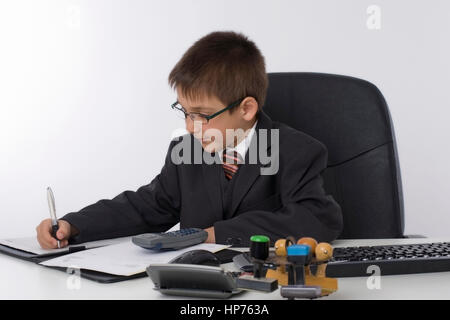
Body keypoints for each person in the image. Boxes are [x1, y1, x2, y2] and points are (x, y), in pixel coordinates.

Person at [36, 31, 343, 249]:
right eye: (184, 111)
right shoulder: (186, 151)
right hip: (194, 285)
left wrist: (210, 234)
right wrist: (74, 225)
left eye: (202, 114)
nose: (190, 126)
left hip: (269, 284)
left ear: (247, 109)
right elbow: (148, 206)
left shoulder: (297, 151)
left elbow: (315, 218)